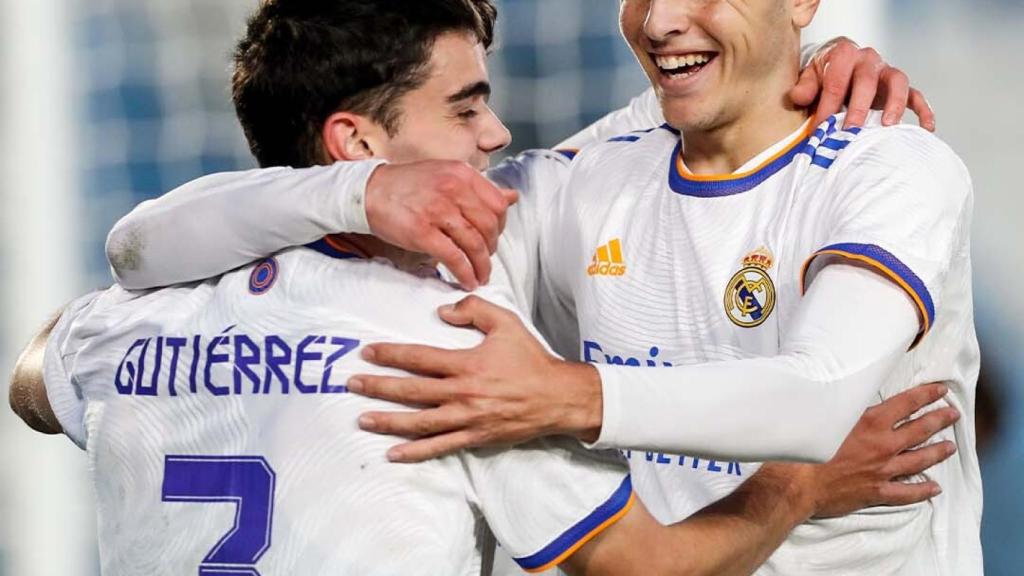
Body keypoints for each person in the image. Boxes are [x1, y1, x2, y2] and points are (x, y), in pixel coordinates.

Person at [7, 1, 958, 575]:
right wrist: (792, 489)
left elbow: (81, 316)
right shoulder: (452, 344)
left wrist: (355, 192)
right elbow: (639, 568)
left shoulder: (125, 329)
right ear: (357, 146)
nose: (499, 134)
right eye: (469, 106)